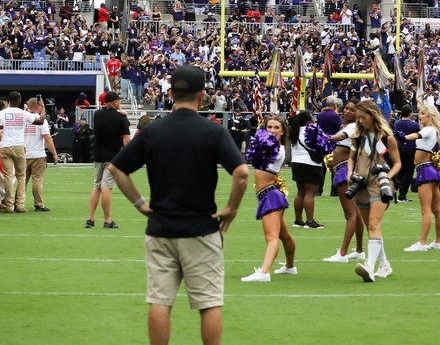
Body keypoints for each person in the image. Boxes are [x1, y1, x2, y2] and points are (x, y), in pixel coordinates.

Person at [108, 65, 248, 345]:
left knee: (160, 301)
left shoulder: (152, 131)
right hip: (201, 228)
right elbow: (242, 173)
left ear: (171, 93)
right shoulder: (213, 131)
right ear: (203, 96)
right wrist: (231, 208)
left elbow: (116, 169)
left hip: (161, 227)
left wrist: (139, 203)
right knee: (208, 303)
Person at [349, 100, 401, 282]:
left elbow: (398, 163)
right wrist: (350, 172)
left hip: (380, 183)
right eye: (358, 118)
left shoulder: (387, 137)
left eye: (363, 117)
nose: (361, 121)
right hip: (360, 182)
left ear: (373, 115)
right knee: (371, 227)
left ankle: (369, 267)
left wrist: (387, 176)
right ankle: (384, 264)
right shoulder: (357, 135)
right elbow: (351, 157)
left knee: (373, 224)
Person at [240, 115, 297, 282]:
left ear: (283, 131)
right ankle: (290, 266)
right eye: (269, 127)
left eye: (276, 127)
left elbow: (262, 150)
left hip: (270, 195)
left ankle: (264, 272)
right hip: (268, 195)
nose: (272, 130)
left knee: (271, 237)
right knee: (284, 236)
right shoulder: (267, 144)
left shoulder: (277, 149)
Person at [323, 98, 366, 262]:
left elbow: (340, 137)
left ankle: (343, 253)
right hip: (343, 169)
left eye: (352, 110)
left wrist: (323, 137)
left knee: (350, 214)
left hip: (344, 171)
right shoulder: (346, 124)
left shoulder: (353, 126)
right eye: (346, 108)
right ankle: (360, 250)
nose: (348, 111)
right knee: (356, 213)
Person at [397, 103, 440, 252]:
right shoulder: (433, 130)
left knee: (426, 210)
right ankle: (437, 241)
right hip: (431, 170)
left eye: (422, 113)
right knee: (437, 210)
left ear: (430, 116)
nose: (419, 116)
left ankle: (422, 243)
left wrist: (402, 136)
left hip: (425, 170)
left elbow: (416, 135)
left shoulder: (428, 129)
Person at [86, 91, 129, 229]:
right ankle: (107, 220)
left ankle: (90, 219)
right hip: (113, 157)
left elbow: (107, 115)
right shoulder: (121, 119)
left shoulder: (97, 115)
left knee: (97, 186)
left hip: (98, 155)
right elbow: (126, 140)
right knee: (107, 188)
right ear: (115, 102)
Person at [0, 90, 45, 213]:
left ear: (8, 101)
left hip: (4, 146)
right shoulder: (23, 113)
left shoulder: (2, 113)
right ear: (19, 100)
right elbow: (40, 121)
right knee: (21, 176)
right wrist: (43, 107)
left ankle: (9, 205)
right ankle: (20, 205)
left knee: (8, 176)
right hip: (18, 146)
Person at [288, 110, 325, 229]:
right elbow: (321, 146)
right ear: (309, 121)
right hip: (310, 164)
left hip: (296, 163)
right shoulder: (312, 130)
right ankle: (310, 221)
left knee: (300, 192)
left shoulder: (295, 130)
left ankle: (298, 220)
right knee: (310, 193)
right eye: (312, 118)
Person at [24, 97, 58, 212]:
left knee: (22, 181)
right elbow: (47, 138)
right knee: (37, 180)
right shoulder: (40, 119)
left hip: (23, 154)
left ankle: (18, 202)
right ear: (39, 106)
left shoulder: (23, 118)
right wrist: (54, 154)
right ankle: (38, 204)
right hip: (37, 154)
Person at [393, 105, 419, 202]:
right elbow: (418, 135)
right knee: (408, 173)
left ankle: (394, 190)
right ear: (410, 113)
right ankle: (402, 195)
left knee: (398, 170)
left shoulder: (397, 123)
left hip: (399, 148)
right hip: (410, 148)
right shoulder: (415, 125)